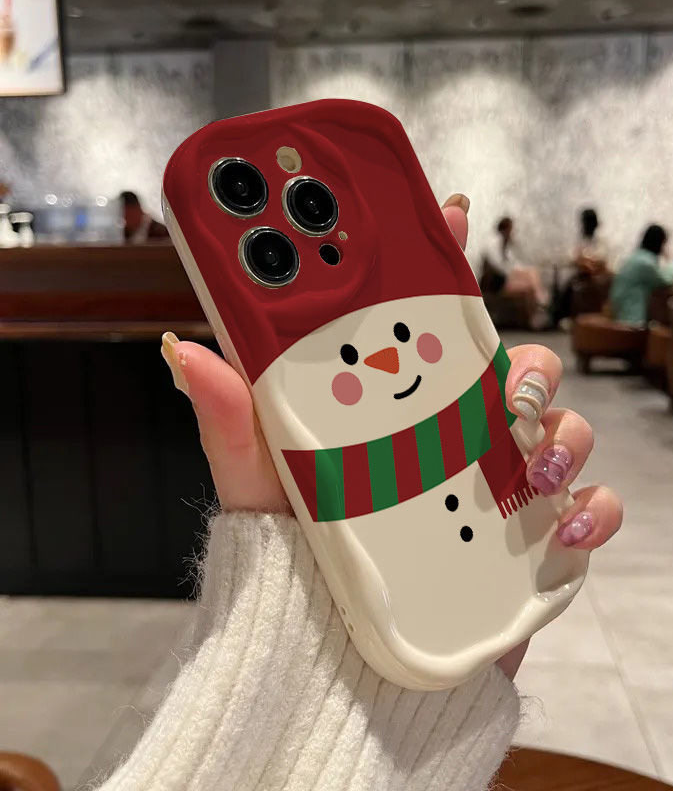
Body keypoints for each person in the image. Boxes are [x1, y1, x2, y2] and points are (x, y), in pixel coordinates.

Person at [94, 195, 623, 791]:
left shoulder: (453, 422)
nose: (386, 361)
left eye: (400, 336)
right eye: (350, 356)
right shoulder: (347, 462)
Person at [610, 224, 673, 327]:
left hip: (619, 308)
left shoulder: (637, 256)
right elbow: (664, 280)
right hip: (631, 316)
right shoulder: (646, 263)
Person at [484, 217, 549, 325]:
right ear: (504, 230)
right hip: (497, 282)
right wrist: (516, 272)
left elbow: (516, 262)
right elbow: (499, 267)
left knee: (531, 279)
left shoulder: (509, 246)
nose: (511, 233)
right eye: (510, 229)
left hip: (508, 278)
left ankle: (534, 317)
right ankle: (541, 301)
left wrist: (518, 270)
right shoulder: (493, 245)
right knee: (531, 277)